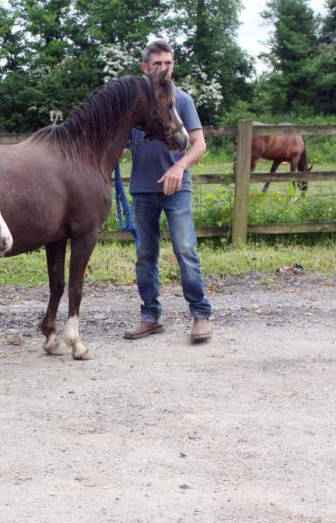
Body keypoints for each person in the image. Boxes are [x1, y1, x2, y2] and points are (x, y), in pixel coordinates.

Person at [123, 40, 212, 343]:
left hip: (177, 188)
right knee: (145, 255)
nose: (163, 69)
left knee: (185, 250)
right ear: (144, 67)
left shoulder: (182, 100)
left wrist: (179, 167)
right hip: (143, 189)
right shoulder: (132, 105)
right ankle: (150, 316)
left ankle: (200, 315)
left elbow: (200, 145)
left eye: (168, 63)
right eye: (157, 64)